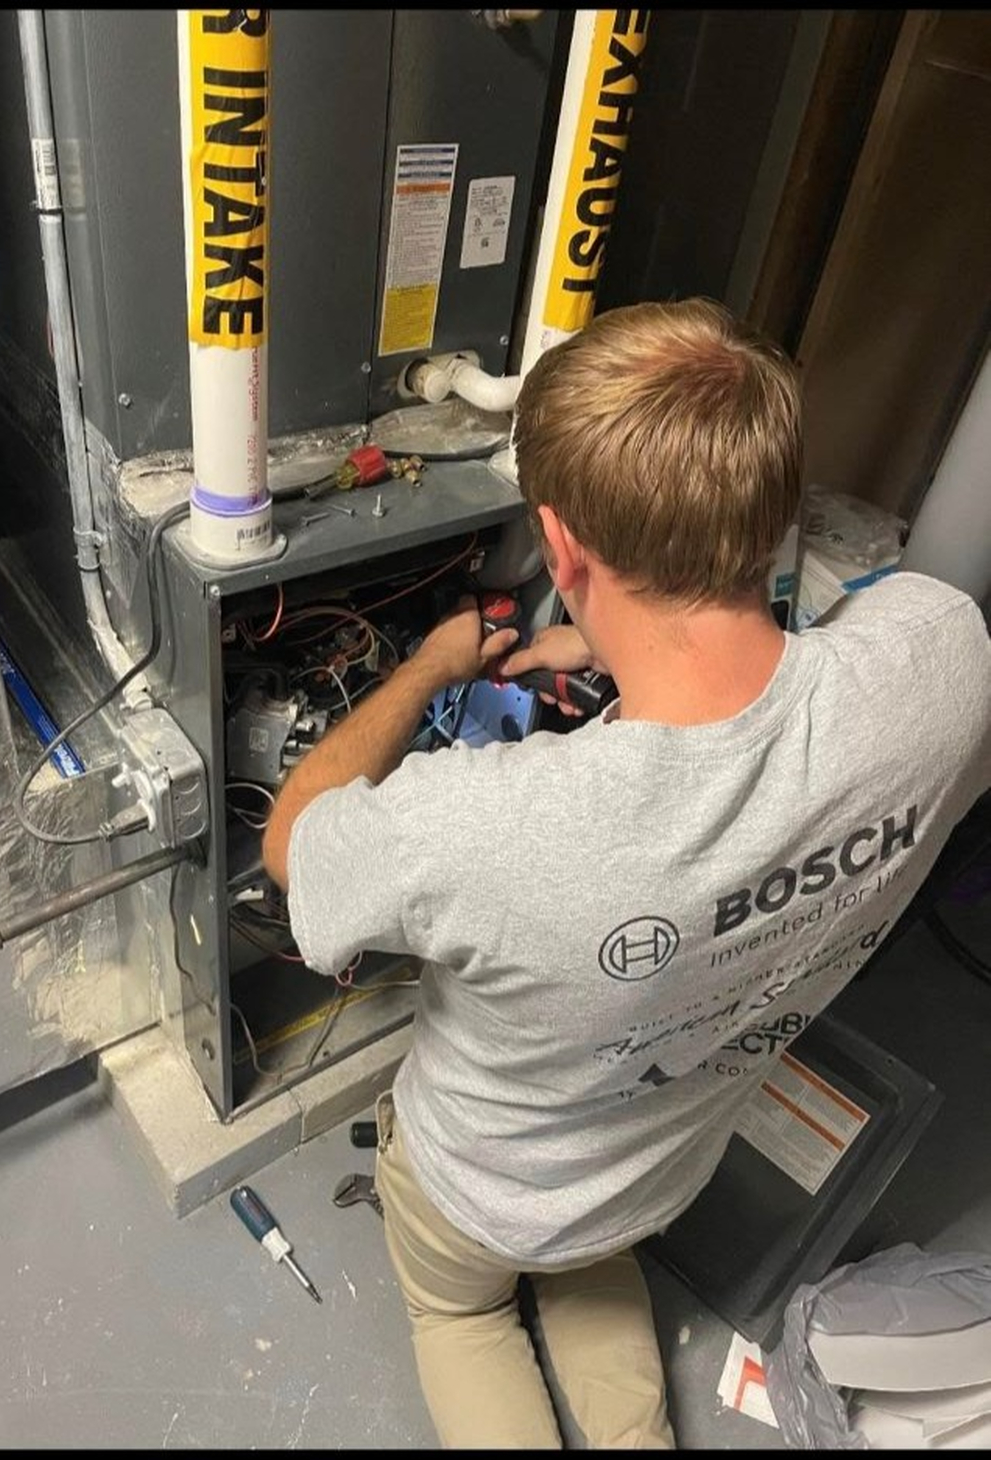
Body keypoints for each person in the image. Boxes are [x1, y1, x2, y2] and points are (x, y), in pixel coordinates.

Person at [262, 297, 991, 1449]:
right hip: (658, 1169)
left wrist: (426, 668)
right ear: (776, 510)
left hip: (473, 1192)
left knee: (461, 1313)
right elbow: (818, 663)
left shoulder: (480, 825)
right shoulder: (944, 663)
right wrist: (616, 645)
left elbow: (294, 847)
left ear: (559, 547)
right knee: (592, 1259)